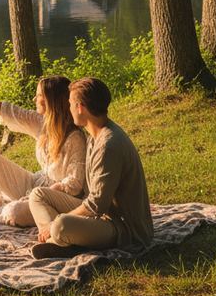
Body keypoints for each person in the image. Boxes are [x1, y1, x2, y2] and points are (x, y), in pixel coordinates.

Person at [28, 76, 154, 260]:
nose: (68, 109)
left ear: (80, 108)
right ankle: (59, 241)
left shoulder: (108, 145)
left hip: (123, 228)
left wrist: (56, 220)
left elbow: (97, 205)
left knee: (61, 224)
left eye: (70, 103)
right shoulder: (94, 136)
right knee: (38, 195)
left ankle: (61, 241)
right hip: (102, 215)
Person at [0, 76, 86, 226]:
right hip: (36, 184)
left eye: (40, 95)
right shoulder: (42, 122)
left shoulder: (75, 138)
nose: (34, 98)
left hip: (56, 199)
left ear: (52, 100)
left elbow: (75, 184)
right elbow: (9, 111)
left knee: (15, 212)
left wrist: (36, 196)